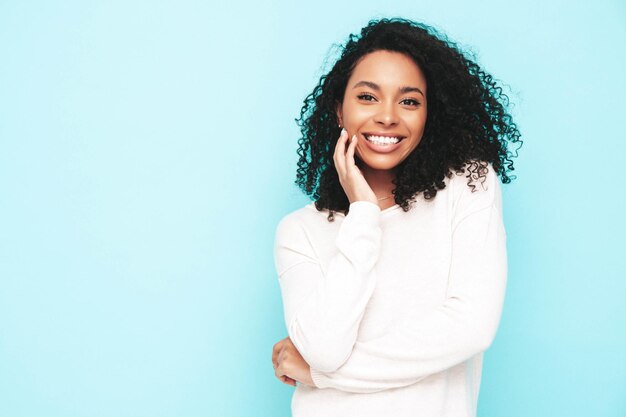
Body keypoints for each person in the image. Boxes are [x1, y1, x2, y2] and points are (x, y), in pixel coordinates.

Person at [271, 17, 522, 417]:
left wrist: (325, 376)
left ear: (429, 115)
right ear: (338, 110)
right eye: (368, 97)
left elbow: (471, 326)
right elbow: (322, 349)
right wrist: (364, 212)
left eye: (409, 101)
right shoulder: (299, 231)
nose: (388, 116)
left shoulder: (468, 186)